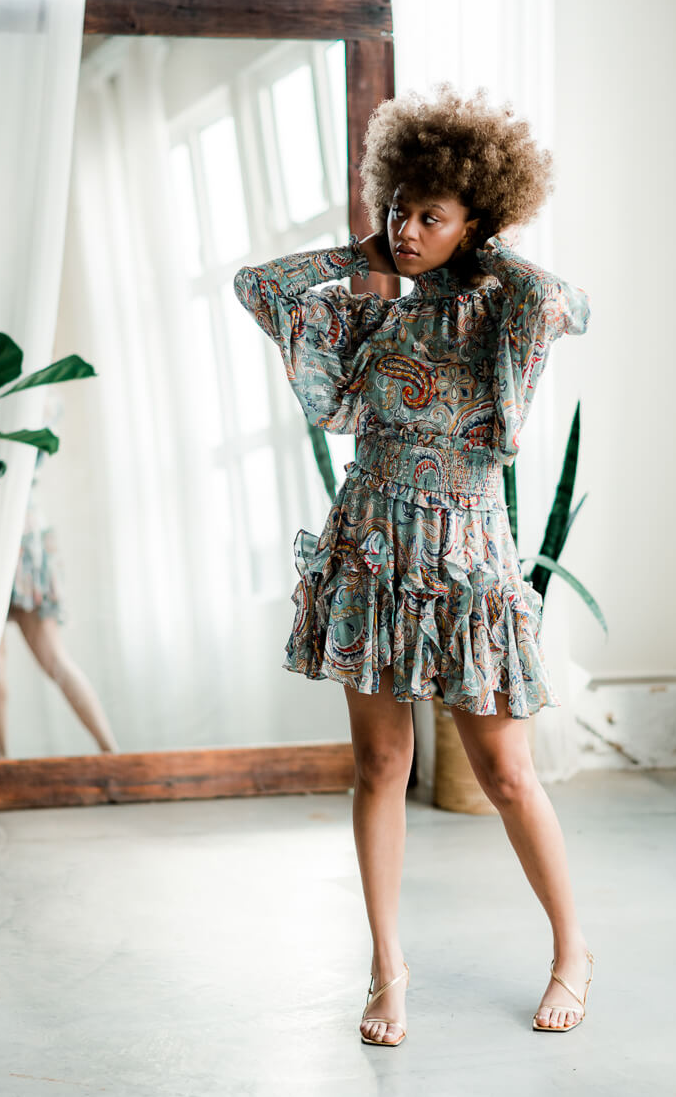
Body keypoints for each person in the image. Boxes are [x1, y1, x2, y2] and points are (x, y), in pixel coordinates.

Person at [233, 83, 594, 1045]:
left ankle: (572, 949)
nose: (405, 229)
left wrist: (483, 245)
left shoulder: (504, 316)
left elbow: (565, 301)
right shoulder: (375, 318)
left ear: (475, 218)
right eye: (399, 208)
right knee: (380, 764)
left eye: (431, 215)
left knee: (506, 771)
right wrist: (362, 255)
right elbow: (259, 286)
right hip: (370, 556)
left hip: (466, 566)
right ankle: (387, 968)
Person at [0, 394, 119, 758]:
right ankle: (111, 753)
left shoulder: (18, 395)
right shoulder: (42, 399)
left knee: (8, 661)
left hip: (9, 531)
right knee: (48, 661)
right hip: (27, 529)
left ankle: (3, 765)